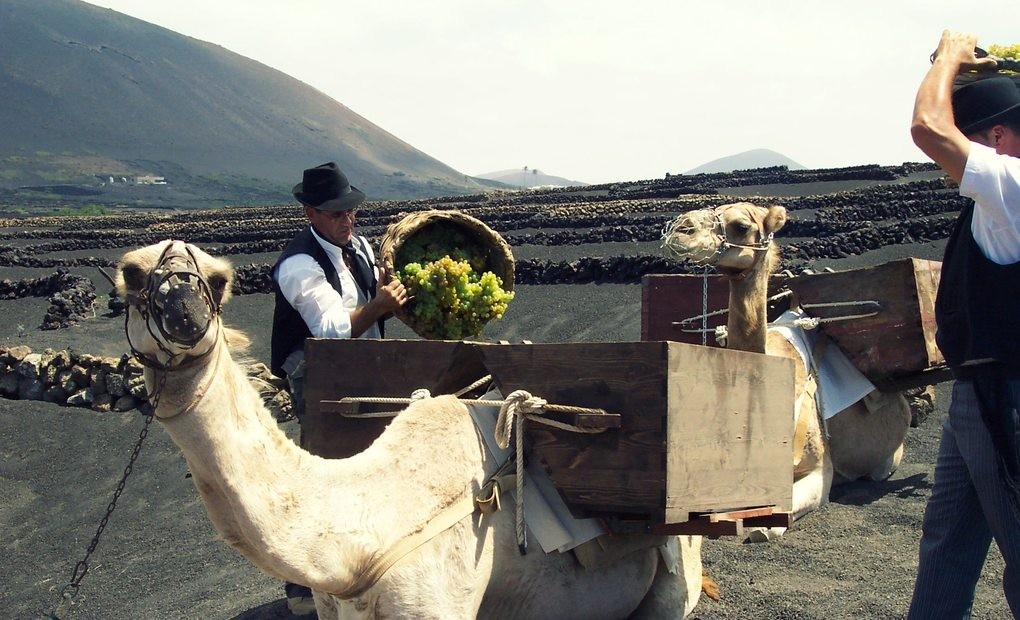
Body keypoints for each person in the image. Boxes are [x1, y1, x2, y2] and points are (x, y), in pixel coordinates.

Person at [907, 30, 1020, 618]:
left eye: (969, 142)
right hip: (978, 392)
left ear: (997, 138)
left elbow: (927, 128)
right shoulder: (995, 201)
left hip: (1006, 397)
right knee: (948, 543)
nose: (951, 163)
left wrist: (950, 52)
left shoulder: (1014, 186)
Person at [270, 161, 407, 615]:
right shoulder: (297, 265)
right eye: (335, 214)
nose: (347, 220)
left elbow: (370, 308)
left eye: (350, 211)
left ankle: (361, 566)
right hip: (315, 372)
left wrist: (387, 301)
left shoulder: (360, 247)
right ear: (310, 213)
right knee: (322, 467)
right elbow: (329, 329)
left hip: (362, 364)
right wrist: (379, 306)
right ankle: (300, 587)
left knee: (369, 461)